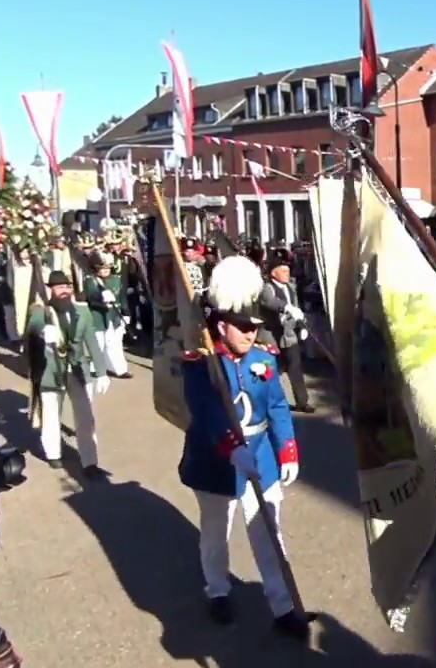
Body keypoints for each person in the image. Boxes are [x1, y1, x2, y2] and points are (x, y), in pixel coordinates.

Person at [177, 255, 310, 639]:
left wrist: (287, 449)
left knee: (269, 532)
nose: (251, 333)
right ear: (221, 326)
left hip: (262, 457)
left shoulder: (264, 360)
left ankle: (283, 606)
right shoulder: (202, 364)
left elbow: (278, 406)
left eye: (253, 326)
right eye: (241, 327)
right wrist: (231, 447)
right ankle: (217, 590)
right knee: (216, 532)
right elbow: (206, 412)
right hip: (216, 462)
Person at [26, 270, 111, 474]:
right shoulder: (42, 311)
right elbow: (32, 327)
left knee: (85, 417)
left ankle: (89, 462)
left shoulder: (83, 312)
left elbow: (92, 343)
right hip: (51, 370)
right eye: (59, 287)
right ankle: (53, 454)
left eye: (67, 286)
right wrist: (43, 330)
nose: (64, 290)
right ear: (51, 289)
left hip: (77, 370)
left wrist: (101, 372)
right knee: (51, 414)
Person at [256, 247, 315, 413]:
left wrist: (301, 325)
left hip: (288, 335)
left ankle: (302, 401)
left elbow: (296, 307)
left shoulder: (290, 287)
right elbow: (269, 302)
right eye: (283, 270)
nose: (287, 273)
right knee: (271, 369)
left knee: (295, 367)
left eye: (288, 270)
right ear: (274, 272)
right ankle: (267, 402)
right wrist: (286, 307)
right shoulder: (267, 287)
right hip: (272, 335)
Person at [83, 252, 131, 378]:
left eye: (107, 268)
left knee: (115, 343)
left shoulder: (117, 279)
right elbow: (91, 298)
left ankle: (119, 369)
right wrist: (101, 300)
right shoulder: (90, 280)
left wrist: (126, 313)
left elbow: (122, 298)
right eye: (101, 268)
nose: (104, 271)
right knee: (99, 343)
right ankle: (97, 368)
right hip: (97, 316)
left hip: (115, 315)